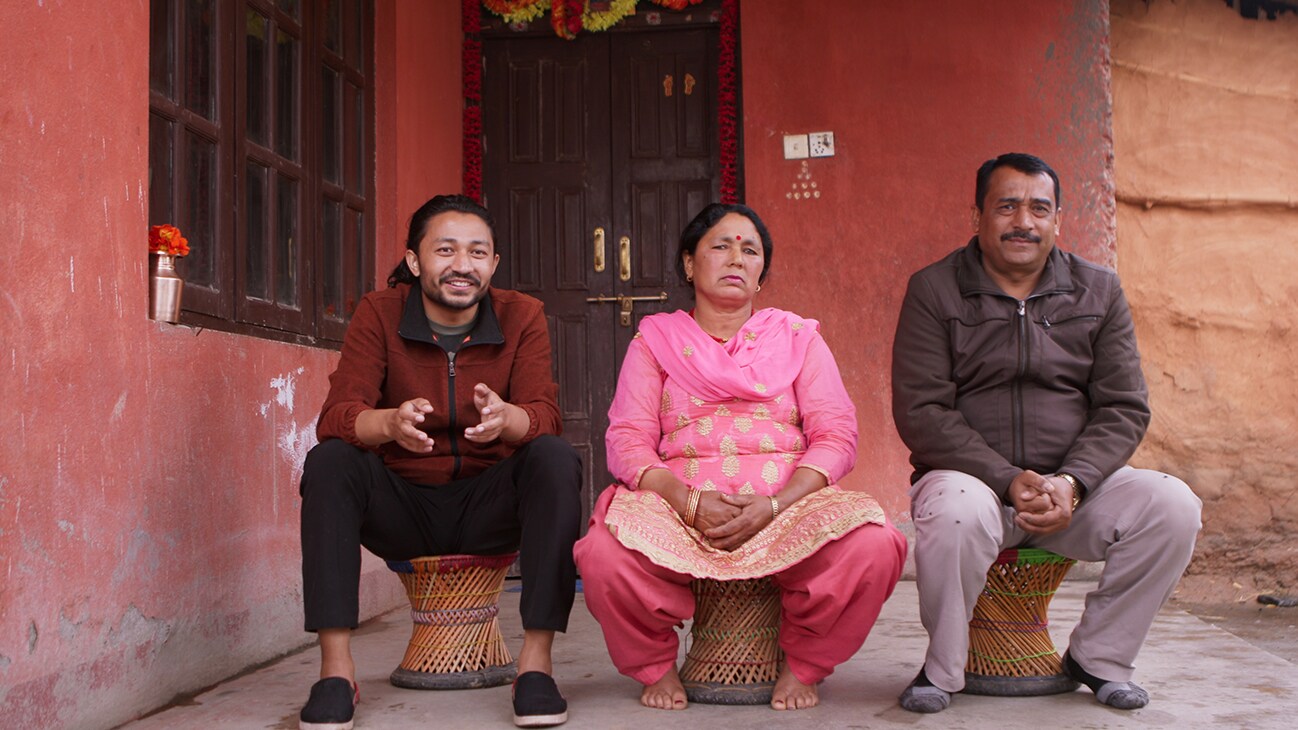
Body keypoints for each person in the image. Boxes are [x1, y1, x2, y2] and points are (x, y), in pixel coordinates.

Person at [890, 153, 1202, 713]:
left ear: (1058, 219)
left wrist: (1073, 482)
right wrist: (1008, 480)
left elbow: (1124, 406)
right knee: (957, 513)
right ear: (978, 215)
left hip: (1075, 495)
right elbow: (922, 410)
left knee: (1173, 505)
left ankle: (1100, 659)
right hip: (974, 486)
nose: (1023, 222)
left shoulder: (1098, 290)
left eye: (1039, 208)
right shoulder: (934, 290)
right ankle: (942, 670)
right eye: (1006, 206)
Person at [574, 203, 908, 712]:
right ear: (689, 263)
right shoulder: (655, 341)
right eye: (720, 246)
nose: (736, 258)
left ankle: (806, 665)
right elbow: (628, 440)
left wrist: (777, 504)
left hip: (788, 505)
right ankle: (655, 666)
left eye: (749, 250)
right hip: (681, 510)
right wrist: (686, 501)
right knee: (601, 554)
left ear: (761, 275)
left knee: (877, 545)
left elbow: (836, 434)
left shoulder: (799, 339)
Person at [296, 195, 582, 730]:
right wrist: (388, 423)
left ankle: (536, 667)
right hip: (403, 507)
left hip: (487, 507)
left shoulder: (523, 316)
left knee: (553, 456)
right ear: (414, 261)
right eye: (445, 250)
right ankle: (335, 672)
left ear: (493, 265)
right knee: (330, 461)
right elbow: (336, 416)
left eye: (478, 252)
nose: (462, 265)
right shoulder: (379, 313)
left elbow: (546, 414)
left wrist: (509, 419)